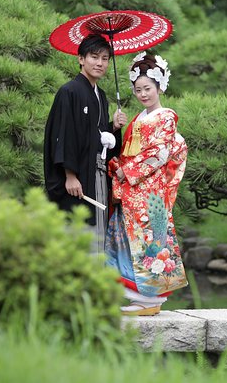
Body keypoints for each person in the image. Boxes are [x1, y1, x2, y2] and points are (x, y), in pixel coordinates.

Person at [105, 51, 188, 316]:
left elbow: (159, 154)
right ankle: (137, 297)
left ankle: (150, 299)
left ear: (160, 86)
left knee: (149, 242)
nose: (143, 94)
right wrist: (117, 129)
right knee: (125, 241)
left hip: (149, 191)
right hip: (132, 189)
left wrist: (125, 172)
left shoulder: (165, 117)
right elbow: (129, 150)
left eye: (148, 88)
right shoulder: (138, 118)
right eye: (138, 89)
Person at [43, 34, 127, 250]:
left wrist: (113, 128)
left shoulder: (101, 96)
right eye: (94, 57)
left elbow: (97, 139)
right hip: (77, 176)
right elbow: (63, 134)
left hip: (96, 175)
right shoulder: (69, 92)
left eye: (105, 58)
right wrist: (69, 175)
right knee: (77, 229)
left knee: (97, 228)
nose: (100, 63)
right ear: (81, 59)